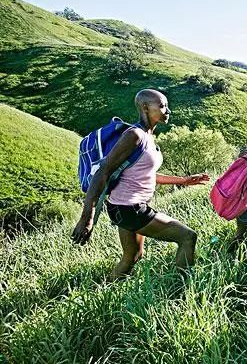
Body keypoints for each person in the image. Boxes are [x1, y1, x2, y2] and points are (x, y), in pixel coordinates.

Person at [71, 89, 209, 279]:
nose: (167, 110)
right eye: (161, 106)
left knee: (133, 256)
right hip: (129, 209)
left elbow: (147, 174)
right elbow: (103, 171)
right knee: (187, 237)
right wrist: (87, 217)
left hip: (124, 207)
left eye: (167, 105)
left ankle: (109, 289)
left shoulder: (148, 137)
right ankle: (182, 289)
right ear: (145, 107)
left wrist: (184, 181)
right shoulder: (135, 135)